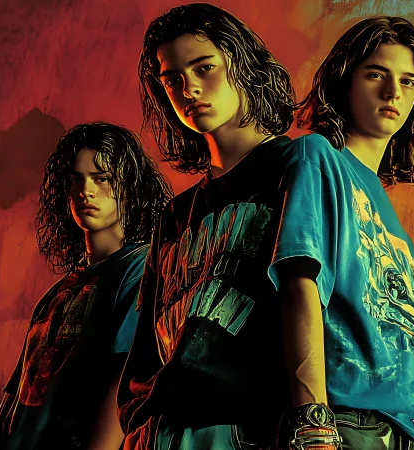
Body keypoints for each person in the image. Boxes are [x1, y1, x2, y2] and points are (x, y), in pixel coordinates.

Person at [270, 16, 414, 450]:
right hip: (353, 422)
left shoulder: (390, 215)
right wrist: (311, 419)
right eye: (376, 74)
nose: (393, 93)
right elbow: (300, 282)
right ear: (345, 81)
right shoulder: (318, 157)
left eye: (408, 82)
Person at [116, 4, 298, 450]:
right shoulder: (174, 216)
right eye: (172, 78)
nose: (189, 88)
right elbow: (145, 345)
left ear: (240, 63)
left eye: (204, 67)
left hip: (245, 428)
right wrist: (138, 417)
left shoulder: (295, 167)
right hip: (157, 432)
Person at [0, 122, 172, 450]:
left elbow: (122, 380)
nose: (87, 190)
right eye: (76, 179)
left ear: (130, 186)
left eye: (102, 178)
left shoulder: (139, 268)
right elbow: (17, 397)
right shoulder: (55, 294)